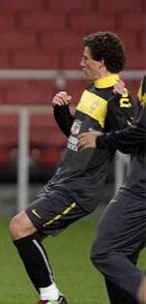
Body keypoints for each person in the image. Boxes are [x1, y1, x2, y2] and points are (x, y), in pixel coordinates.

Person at [8, 31, 134, 304]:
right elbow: (79, 139)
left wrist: (114, 121)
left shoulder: (118, 97)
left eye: (85, 58)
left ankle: (52, 298)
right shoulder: (92, 91)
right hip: (63, 179)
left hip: (80, 188)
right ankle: (51, 297)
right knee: (26, 234)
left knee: (19, 227)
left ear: (101, 62)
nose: (81, 62)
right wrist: (62, 114)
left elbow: (128, 141)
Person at [78, 75, 146, 304]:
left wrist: (101, 140)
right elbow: (136, 136)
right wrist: (122, 108)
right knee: (122, 253)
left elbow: (141, 133)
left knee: (106, 251)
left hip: (142, 188)